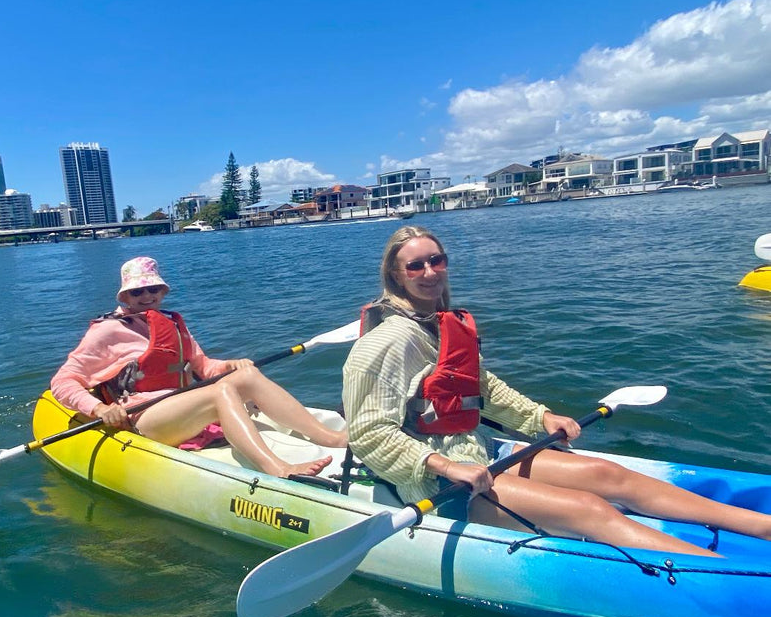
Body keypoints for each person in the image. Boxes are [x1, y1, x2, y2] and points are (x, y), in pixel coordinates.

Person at [343, 226, 771, 557]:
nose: (430, 272)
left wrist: (539, 418)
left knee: (607, 475)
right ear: (396, 276)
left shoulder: (439, 322)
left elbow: (481, 386)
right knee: (589, 508)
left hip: (476, 449)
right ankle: (723, 572)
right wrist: (443, 466)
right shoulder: (384, 342)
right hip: (435, 480)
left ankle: (760, 525)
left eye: (436, 260)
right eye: (415, 266)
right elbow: (367, 432)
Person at [52, 256, 346, 478]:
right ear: (125, 297)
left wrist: (229, 365)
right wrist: (99, 409)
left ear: (162, 291)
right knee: (220, 394)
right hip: (143, 417)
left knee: (246, 375)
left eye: (153, 289)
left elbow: (203, 367)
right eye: (138, 292)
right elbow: (63, 381)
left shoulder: (172, 324)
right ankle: (276, 467)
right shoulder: (107, 331)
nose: (147, 297)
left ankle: (329, 437)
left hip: (180, 405)